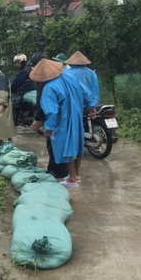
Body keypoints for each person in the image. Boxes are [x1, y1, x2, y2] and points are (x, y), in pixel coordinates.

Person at [31, 58, 96, 188]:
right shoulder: (70, 78)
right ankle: (77, 175)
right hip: (77, 116)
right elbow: (87, 93)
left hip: (63, 121)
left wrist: (49, 127)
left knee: (65, 148)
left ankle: (72, 179)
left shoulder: (49, 88)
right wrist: (91, 106)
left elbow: (52, 111)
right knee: (77, 146)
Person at [29, 54, 69, 179]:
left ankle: (58, 171)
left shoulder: (46, 84)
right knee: (61, 143)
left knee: (53, 143)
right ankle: (59, 168)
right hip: (66, 115)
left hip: (54, 117)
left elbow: (45, 105)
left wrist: (38, 120)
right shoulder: (62, 78)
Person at [10, 53, 36, 125]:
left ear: (23, 61)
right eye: (16, 63)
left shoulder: (24, 71)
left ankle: (13, 123)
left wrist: (12, 88)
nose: (17, 64)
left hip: (24, 90)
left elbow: (17, 82)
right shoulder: (29, 68)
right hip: (31, 89)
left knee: (14, 104)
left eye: (18, 62)